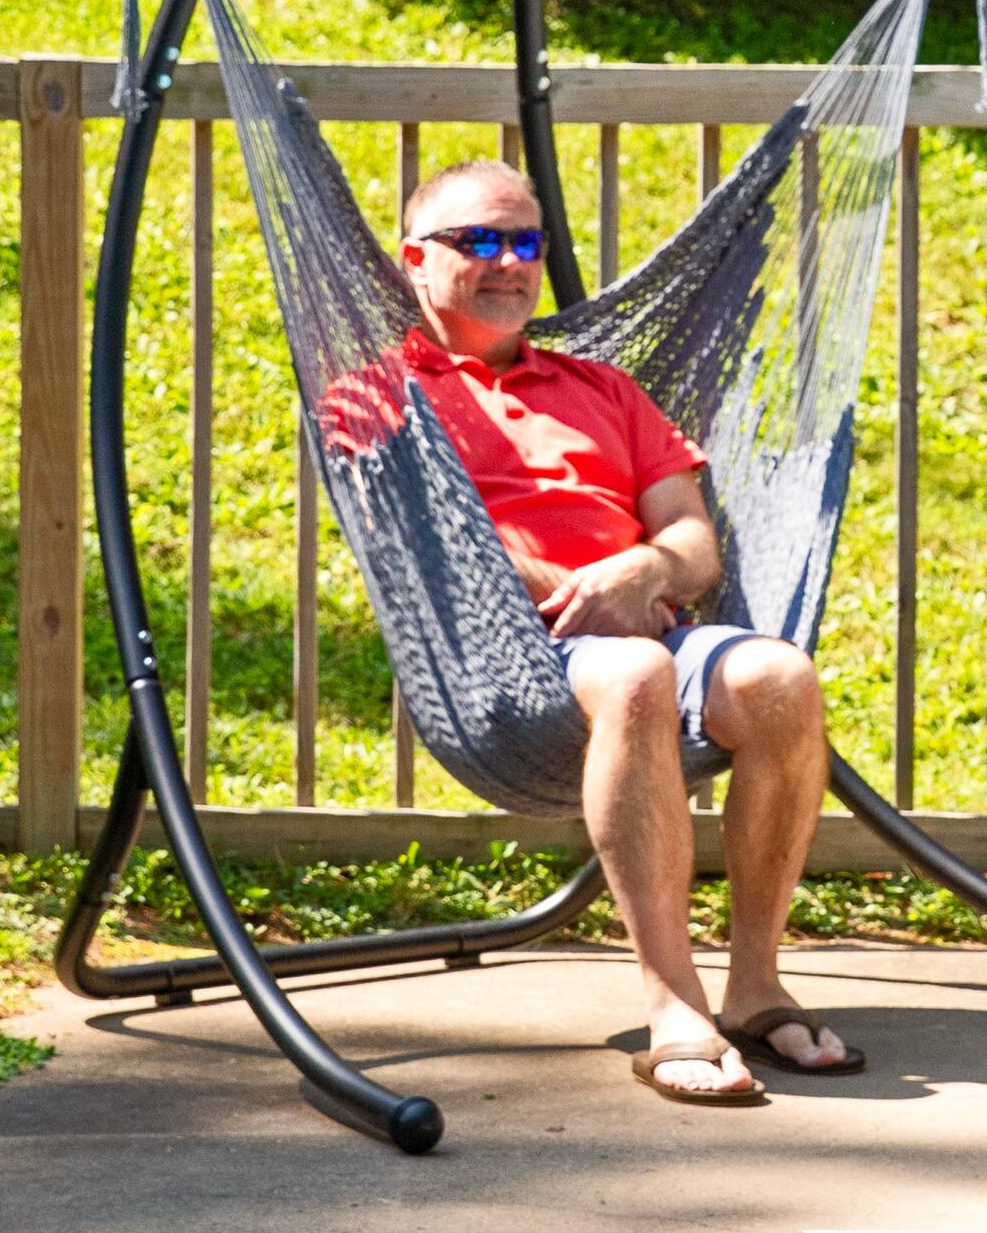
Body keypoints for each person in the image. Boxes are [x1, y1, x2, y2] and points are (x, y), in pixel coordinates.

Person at [368, 156, 860, 1104]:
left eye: (527, 242)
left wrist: (646, 570)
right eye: (479, 242)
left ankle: (754, 986)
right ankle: (673, 1005)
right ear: (414, 262)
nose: (509, 262)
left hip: (641, 630)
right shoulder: (381, 393)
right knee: (634, 670)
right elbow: (419, 542)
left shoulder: (604, 388)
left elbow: (692, 538)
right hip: (503, 663)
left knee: (781, 676)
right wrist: (586, 590)